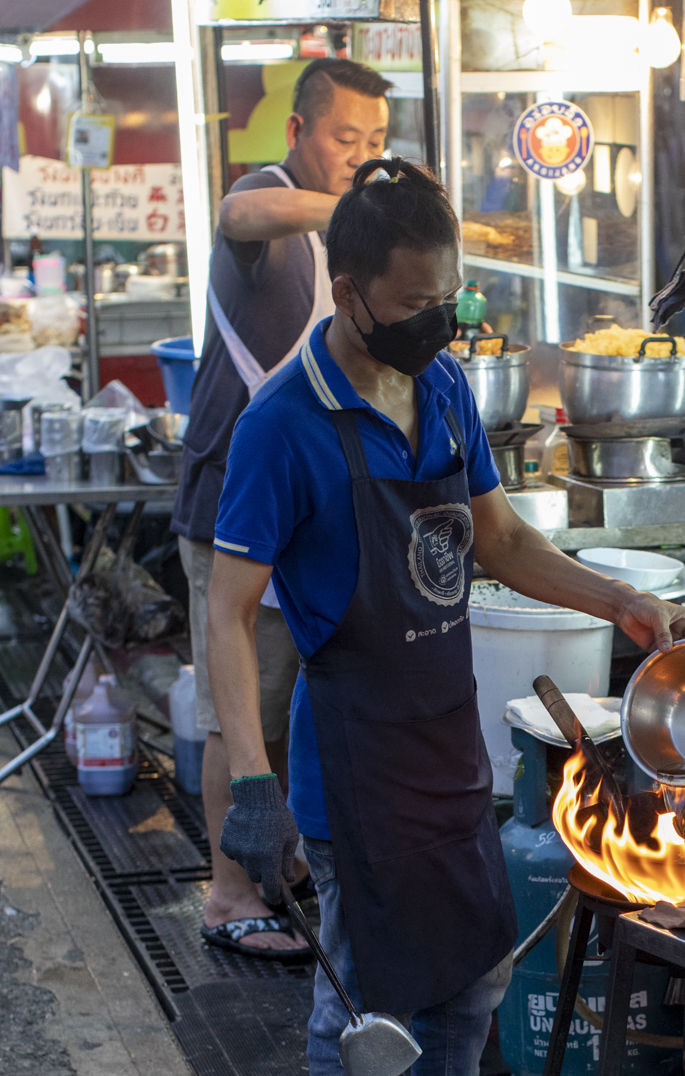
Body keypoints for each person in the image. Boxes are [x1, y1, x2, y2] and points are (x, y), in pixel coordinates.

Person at [206, 159, 685, 1076]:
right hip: (356, 749)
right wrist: (249, 778)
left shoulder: (439, 395)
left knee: (470, 975)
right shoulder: (285, 426)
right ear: (351, 288)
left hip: (443, 734)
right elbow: (224, 611)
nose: (439, 323)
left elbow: (501, 543)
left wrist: (614, 603)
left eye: (451, 302)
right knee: (362, 1008)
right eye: (416, 304)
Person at [171, 58, 391, 959]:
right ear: (298, 133)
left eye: (375, 142)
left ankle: (280, 865)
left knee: (290, 699)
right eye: (346, 139)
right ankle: (228, 895)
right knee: (244, 706)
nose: (360, 156)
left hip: (297, 513)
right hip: (230, 504)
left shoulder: (329, 239)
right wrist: (358, 208)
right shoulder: (269, 200)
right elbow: (237, 216)